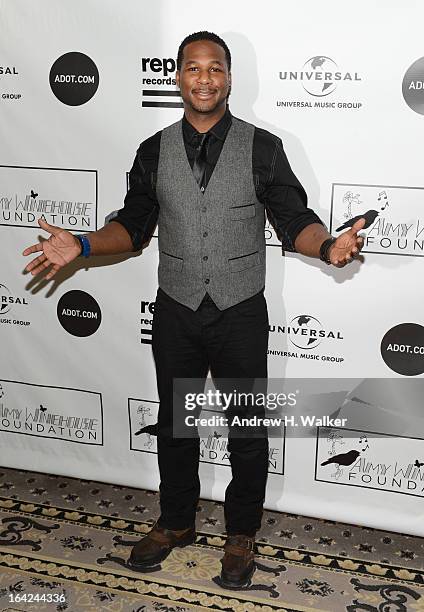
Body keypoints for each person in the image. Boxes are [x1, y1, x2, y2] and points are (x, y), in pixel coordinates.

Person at [23, 31, 364, 589]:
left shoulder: (263, 147)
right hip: (177, 309)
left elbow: (293, 219)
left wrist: (327, 247)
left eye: (215, 68)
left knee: (246, 430)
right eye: (192, 68)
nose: (204, 78)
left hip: (240, 311)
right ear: (177, 77)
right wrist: (83, 245)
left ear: (229, 77)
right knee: (176, 425)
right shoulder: (153, 150)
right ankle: (176, 523)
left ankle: (241, 533)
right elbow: (131, 228)